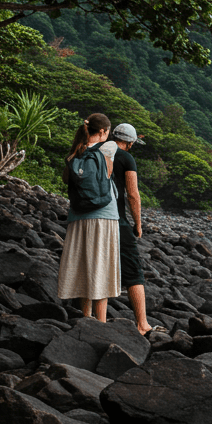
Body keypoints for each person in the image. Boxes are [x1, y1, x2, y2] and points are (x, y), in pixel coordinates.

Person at [58, 113, 121, 320]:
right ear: (103, 131)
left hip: (78, 215)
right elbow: (108, 175)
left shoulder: (75, 153)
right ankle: (100, 322)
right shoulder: (108, 148)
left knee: (84, 264)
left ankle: (86, 317)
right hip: (104, 215)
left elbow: (68, 179)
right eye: (107, 131)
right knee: (101, 265)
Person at [110, 122, 156, 334]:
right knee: (133, 270)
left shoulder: (97, 152)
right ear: (129, 143)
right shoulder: (125, 157)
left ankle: (92, 318)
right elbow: (132, 194)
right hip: (116, 219)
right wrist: (137, 224)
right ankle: (142, 323)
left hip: (91, 217)